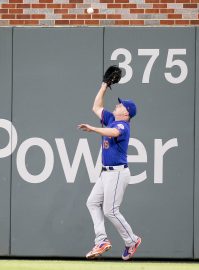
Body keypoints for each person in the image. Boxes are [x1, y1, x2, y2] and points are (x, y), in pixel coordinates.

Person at [78, 82, 141, 261]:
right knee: (92, 202)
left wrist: (92, 128)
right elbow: (96, 106)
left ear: (126, 113)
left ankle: (132, 240)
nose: (117, 105)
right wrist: (104, 86)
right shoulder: (112, 118)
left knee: (111, 210)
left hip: (118, 173)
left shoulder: (123, 126)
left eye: (121, 105)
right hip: (106, 173)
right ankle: (101, 240)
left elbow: (113, 132)